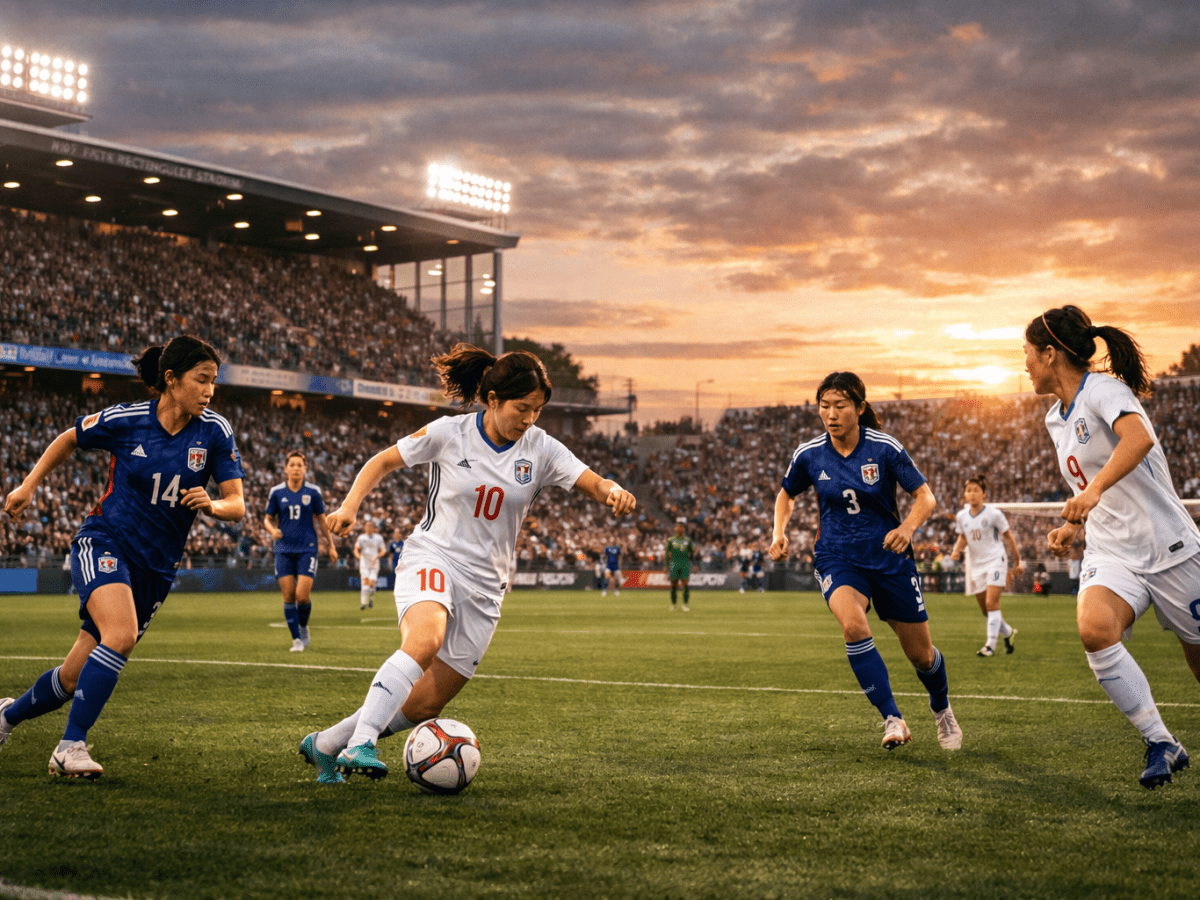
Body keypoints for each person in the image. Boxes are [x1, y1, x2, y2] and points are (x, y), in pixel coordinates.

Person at [298, 343, 636, 783]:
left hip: (486, 587)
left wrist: (613, 491)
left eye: (537, 410)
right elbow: (383, 461)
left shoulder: (542, 449)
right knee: (425, 640)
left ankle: (325, 745)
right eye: (522, 408)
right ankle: (361, 743)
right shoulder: (449, 432)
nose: (529, 419)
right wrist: (349, 506)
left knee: (424, 704)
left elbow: (593, 482)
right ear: (492, 400)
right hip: (433, 556)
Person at [0, 336, 245, 778]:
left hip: (156, 569)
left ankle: (5, 718)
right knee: (120, 635)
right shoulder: (127, 419)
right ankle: (70, 747)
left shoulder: (215, 431)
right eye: (202, 380)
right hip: (105, 541)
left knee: (71, 677)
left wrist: (212, 505)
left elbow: (237, 505)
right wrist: (29, 484)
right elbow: (69, 438)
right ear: (171, 379)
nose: (210, 391)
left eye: (214, 381)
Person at [1025, 304, 1200, 789]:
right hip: (1111, 551)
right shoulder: (1055, 419)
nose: (1025, 363)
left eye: (1028, 352)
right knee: (1095, 630)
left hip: (1169, 547)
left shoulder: (1103, 389)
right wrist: (1073, 525)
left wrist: (1094, 491)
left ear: (1050, 353)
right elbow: (1089, 485)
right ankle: (1161, 741)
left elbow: (1138, 439)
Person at [769, 371, 962, 752]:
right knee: (854, 627)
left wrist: (907, 528)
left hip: (890, 560)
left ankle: (941, 708)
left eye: (840, 406)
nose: (831, 414)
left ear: (859, 408)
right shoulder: (809, 454)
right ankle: (892, 717)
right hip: (837, 557)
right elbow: (786, 495)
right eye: (824, 406)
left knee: (922, 657)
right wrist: (778, 532)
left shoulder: (884, 448)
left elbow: (925, 497)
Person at [263, 450, 337, 652]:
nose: (296, 468)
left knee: (302, 596)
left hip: (307, 549)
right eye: (292, 465)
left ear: (305, 469)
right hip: (283, 549)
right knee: (288, 596)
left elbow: (322, 521)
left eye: (299, 465)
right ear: (286, 469)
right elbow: (267, 519)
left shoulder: (313, 492)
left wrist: (331, 545)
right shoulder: (277, 492)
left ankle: (303, 626)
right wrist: (272, 530)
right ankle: (296, 639)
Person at [949, 476, 1022, 657]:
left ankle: (990, 645)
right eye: (969, 490)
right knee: (985, 609)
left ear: (984, 494)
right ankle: (1008, 633)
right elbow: (963, 537)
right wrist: (956, 550)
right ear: (964, 494)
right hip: (977, 565)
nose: (972, 493)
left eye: (976, 490)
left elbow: (1008, 536)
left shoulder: (994, 514)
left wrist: (1018, 560)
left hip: (996, 560)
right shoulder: (962, 516)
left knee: (991, 603)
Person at [353, 518, 387, 610]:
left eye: (371, 526)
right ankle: (363, 603)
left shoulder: (378, 538)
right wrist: (359, 557)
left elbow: (383, 550)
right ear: (364, 528)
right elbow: (356, 549)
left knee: (371, 584)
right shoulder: (361, 538)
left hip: (374, 563)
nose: (369, 528)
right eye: (367, 526)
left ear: (374, 528)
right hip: (364, 563)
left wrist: (378, 556)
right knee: (365, 582)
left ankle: (371, 600)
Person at [666, 518, 695, 611]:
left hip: (685, 565)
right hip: (674, 564)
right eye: (677, 527)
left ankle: (685, 604)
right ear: (675, 528)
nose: (679, 529)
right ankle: (674, 605)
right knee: (673, 585)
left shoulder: (688, 540)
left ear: (684, 529)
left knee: (685, 584)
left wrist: (695, 565)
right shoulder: (671, 540)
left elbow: (692, 553)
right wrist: (665, 566)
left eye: (681, 527)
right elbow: (667, 554)